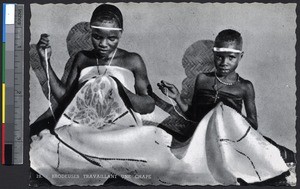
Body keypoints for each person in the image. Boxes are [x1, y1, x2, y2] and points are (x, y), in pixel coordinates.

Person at [158, 29, 294, 183]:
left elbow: (253, 124)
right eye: (219, 57)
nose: (224, 63)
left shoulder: (244, 86)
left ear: (240, 56)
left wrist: (227, 115)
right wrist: (177, 97)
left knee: (275, 157)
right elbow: (194, 115)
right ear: (213, 55)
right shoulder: (202, 80)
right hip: (206, 140)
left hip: (233, 142)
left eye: (231, 58)